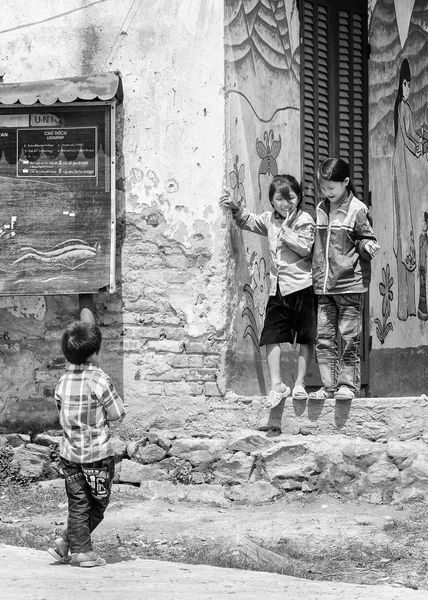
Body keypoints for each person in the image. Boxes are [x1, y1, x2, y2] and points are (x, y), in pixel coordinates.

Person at [220, 174, 316, 408]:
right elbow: (247, 220)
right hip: (277, 288)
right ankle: (277, 385)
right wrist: (234, 207)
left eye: (290, 197)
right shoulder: (269, 220)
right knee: (271, 336)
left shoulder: (305, 220)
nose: (285, 203)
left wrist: (286, 230)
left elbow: (305, 248)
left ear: (299, 197)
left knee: (305, 337)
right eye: (279, 199)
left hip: (303, 286)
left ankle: (300, 383)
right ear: (272, 202)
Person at [48, 320, 126, 567]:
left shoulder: (62, 382)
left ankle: (66, 542)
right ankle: (82, 551)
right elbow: (116, 414)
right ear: (95, 352)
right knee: (98, 502)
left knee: (79, 502)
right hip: (97, 455)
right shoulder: (100, 380)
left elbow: (61, 412)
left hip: (70, 455)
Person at [309, 158, 380, 401]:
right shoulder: (320, 209)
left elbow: (365, 238)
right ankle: (328, 387)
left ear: (346, 182)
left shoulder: (358, 209)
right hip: (324, 287)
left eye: (331, 188)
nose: (327, 193)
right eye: (324, 188)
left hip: (350, 285)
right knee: (324, 339)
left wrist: (368, 246)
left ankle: (348, 386)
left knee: (349, 338)